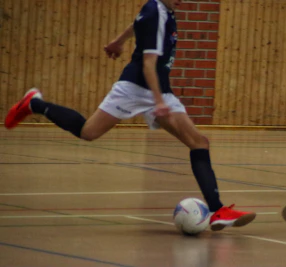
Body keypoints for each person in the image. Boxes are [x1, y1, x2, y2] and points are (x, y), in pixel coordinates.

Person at [4, 0, 256, 230]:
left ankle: (217, 210)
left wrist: (119, 40)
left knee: (199, 142)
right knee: (88, 132)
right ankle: (35, 104)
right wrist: (158, 102)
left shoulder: (160, 9)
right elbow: (148, 64)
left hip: (157, 87)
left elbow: (137, 23)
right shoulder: (157, 13)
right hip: (136, 87)